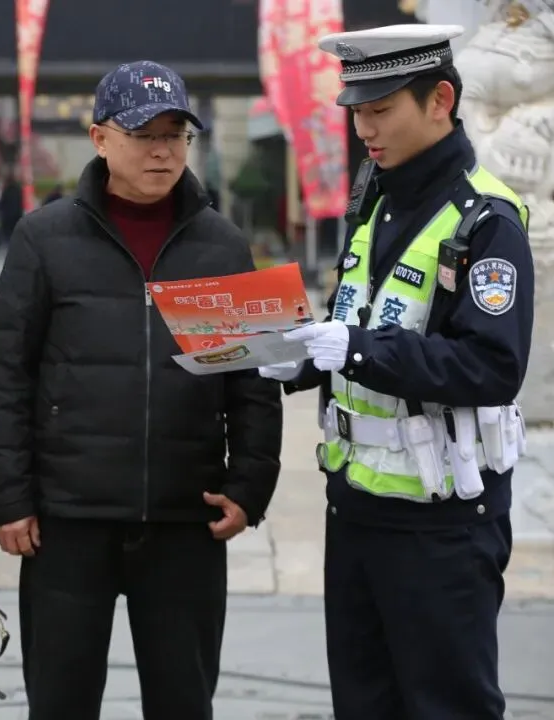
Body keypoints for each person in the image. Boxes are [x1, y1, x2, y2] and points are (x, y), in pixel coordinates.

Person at [0, 60, 284, 719]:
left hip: (184, 521)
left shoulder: (222, 245)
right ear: (99, 138)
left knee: (184, 702)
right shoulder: (45, 239)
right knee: (60, 703)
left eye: (175, 135)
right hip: (67, 522)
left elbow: (253, 382)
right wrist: (8, 498)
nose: (162, 151)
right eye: (144, 134)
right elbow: (5, 375)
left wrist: (250, 487)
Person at [260, 25, 533, 720]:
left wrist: (355, 349)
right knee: (363, 704)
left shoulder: (486, 219)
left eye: (380, 110)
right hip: (356, 507)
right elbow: (356, 319)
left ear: (440, 100)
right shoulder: (375, 203)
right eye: (356, 111)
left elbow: (492, 365)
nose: (363, 130)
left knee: (446, 706)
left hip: (442, 523)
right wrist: (293, 356)